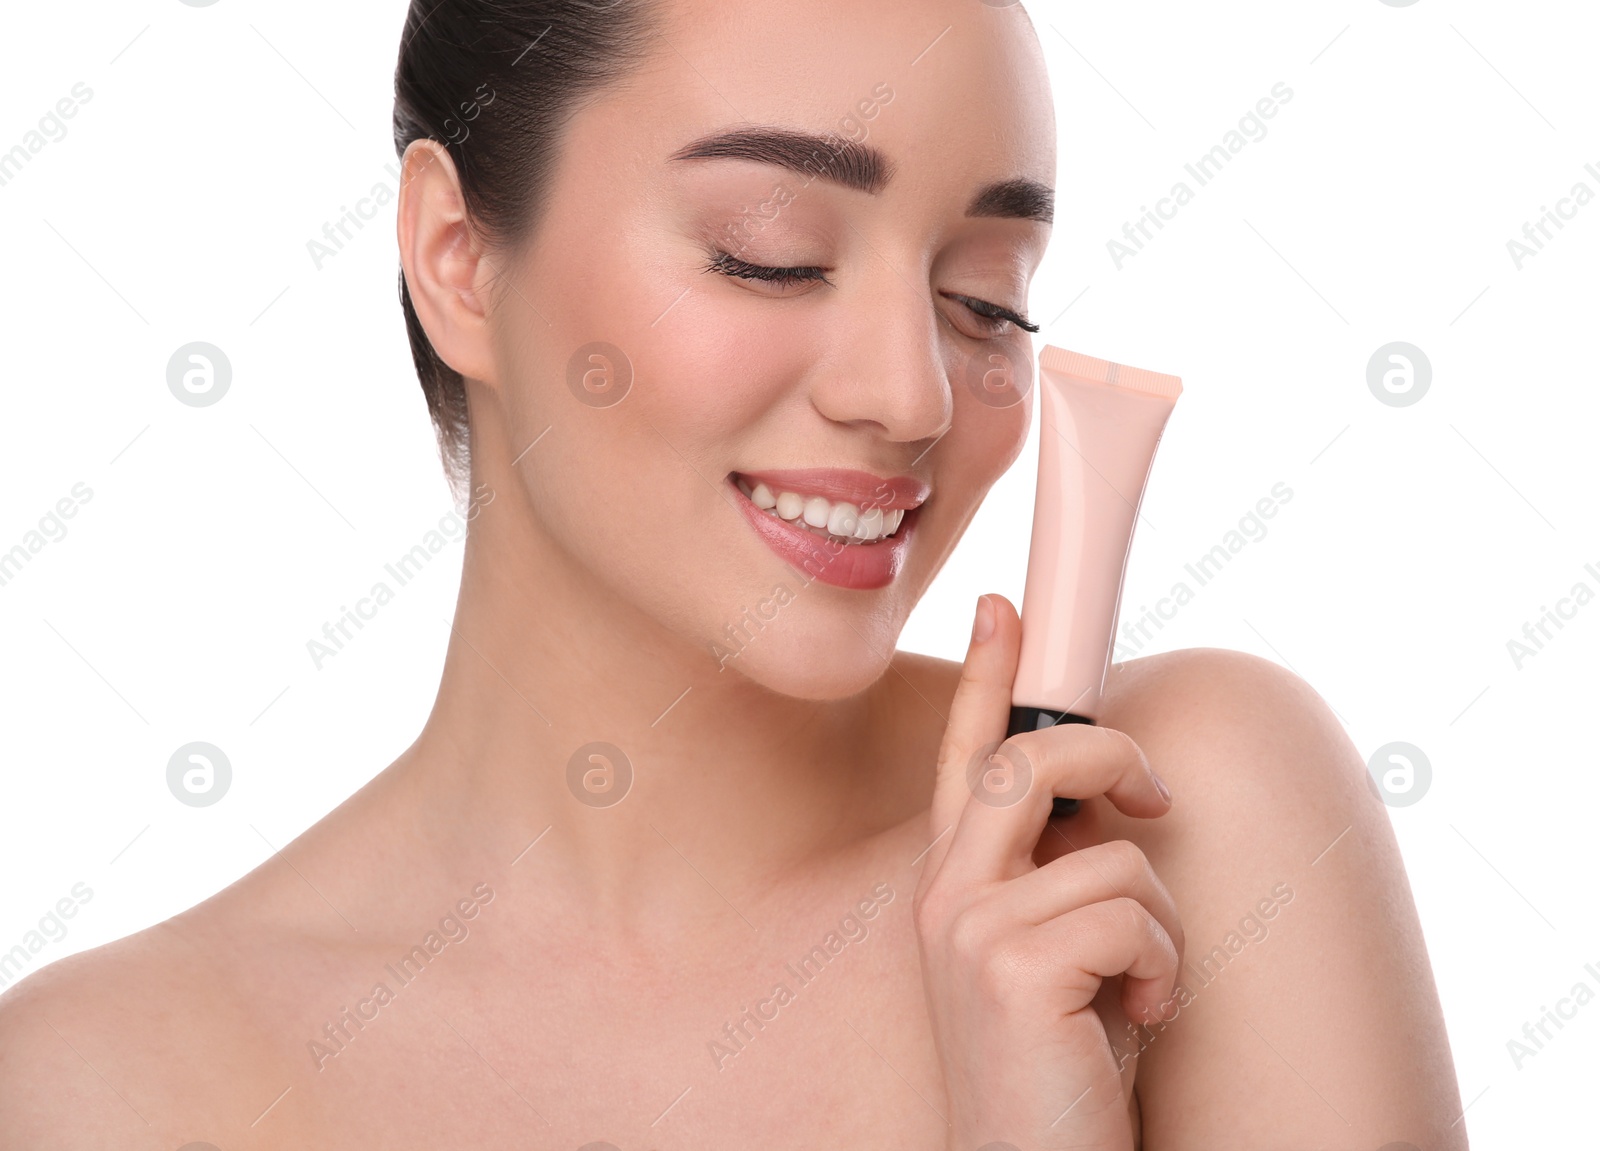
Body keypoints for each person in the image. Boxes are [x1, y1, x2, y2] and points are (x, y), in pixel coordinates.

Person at [0, 0, 1466, 1146]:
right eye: (771, 255)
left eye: (984, 300)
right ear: (457, 257)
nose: (912, 393)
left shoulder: (1171, 836)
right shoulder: (106, 1085)